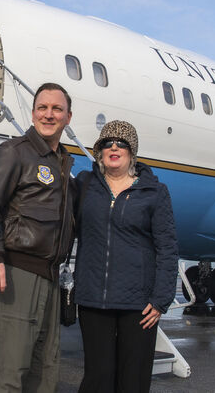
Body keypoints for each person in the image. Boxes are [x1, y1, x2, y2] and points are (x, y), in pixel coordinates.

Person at [0, 82, 75, 392]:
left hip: (50, 279)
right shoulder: (13, 153)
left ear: (68, 117)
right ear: (32, 114)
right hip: (15, 277)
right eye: (42, 108)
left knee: (43, 373)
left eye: (57, 109)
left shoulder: (63, 165)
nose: (49, 114)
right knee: (6, 372)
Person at [73, 120, 179, 393]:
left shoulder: (154, 192)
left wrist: (160, 300)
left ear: (132, 152)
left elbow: (167, 248)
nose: (114, 147)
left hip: (139, 305)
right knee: (98, 377)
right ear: (99, 151)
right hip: (93, 300)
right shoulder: (85, 187)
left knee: (133, 379)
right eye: (107, 143)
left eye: (121, 143)